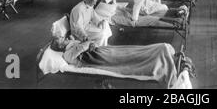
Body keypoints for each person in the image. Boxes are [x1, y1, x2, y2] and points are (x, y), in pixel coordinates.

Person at [50, 37, 179, 88]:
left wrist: (88, 43)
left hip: (101, 51)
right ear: (60, 46)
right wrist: (86, 43)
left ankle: (161, 50)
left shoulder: (72, 44)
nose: (66, 38)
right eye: (63, 39)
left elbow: (88, 43)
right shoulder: (66, 54)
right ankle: (162, 59)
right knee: (130, 58)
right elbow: (83, 47)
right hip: (97, 58)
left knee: (131, 51)